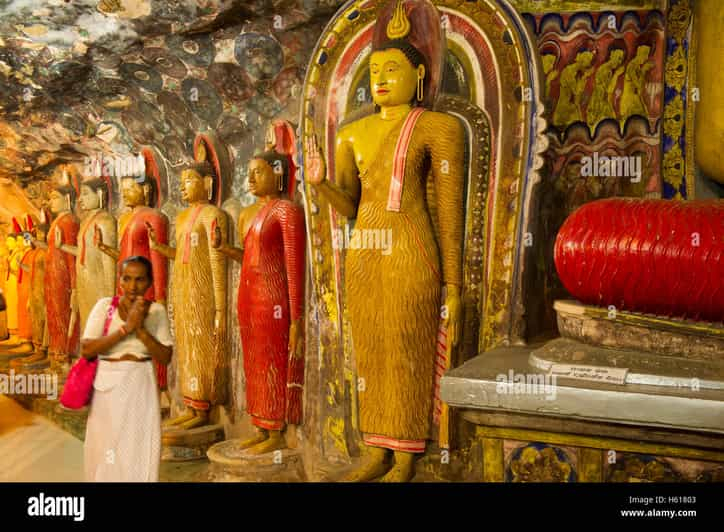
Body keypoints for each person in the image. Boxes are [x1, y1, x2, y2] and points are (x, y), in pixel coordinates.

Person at [81, 255, 173, 482]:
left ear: (150, 282)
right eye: (128, 279)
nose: (133, 286)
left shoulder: (157, 311)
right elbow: (87, 349)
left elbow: (165, 356)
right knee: (107, 446)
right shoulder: (104, 307)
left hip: (140, 382)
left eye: (140, 279)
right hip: (108, 385)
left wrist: (140, 329)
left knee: (138, 446)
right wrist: (125, 329)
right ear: (120, 281)